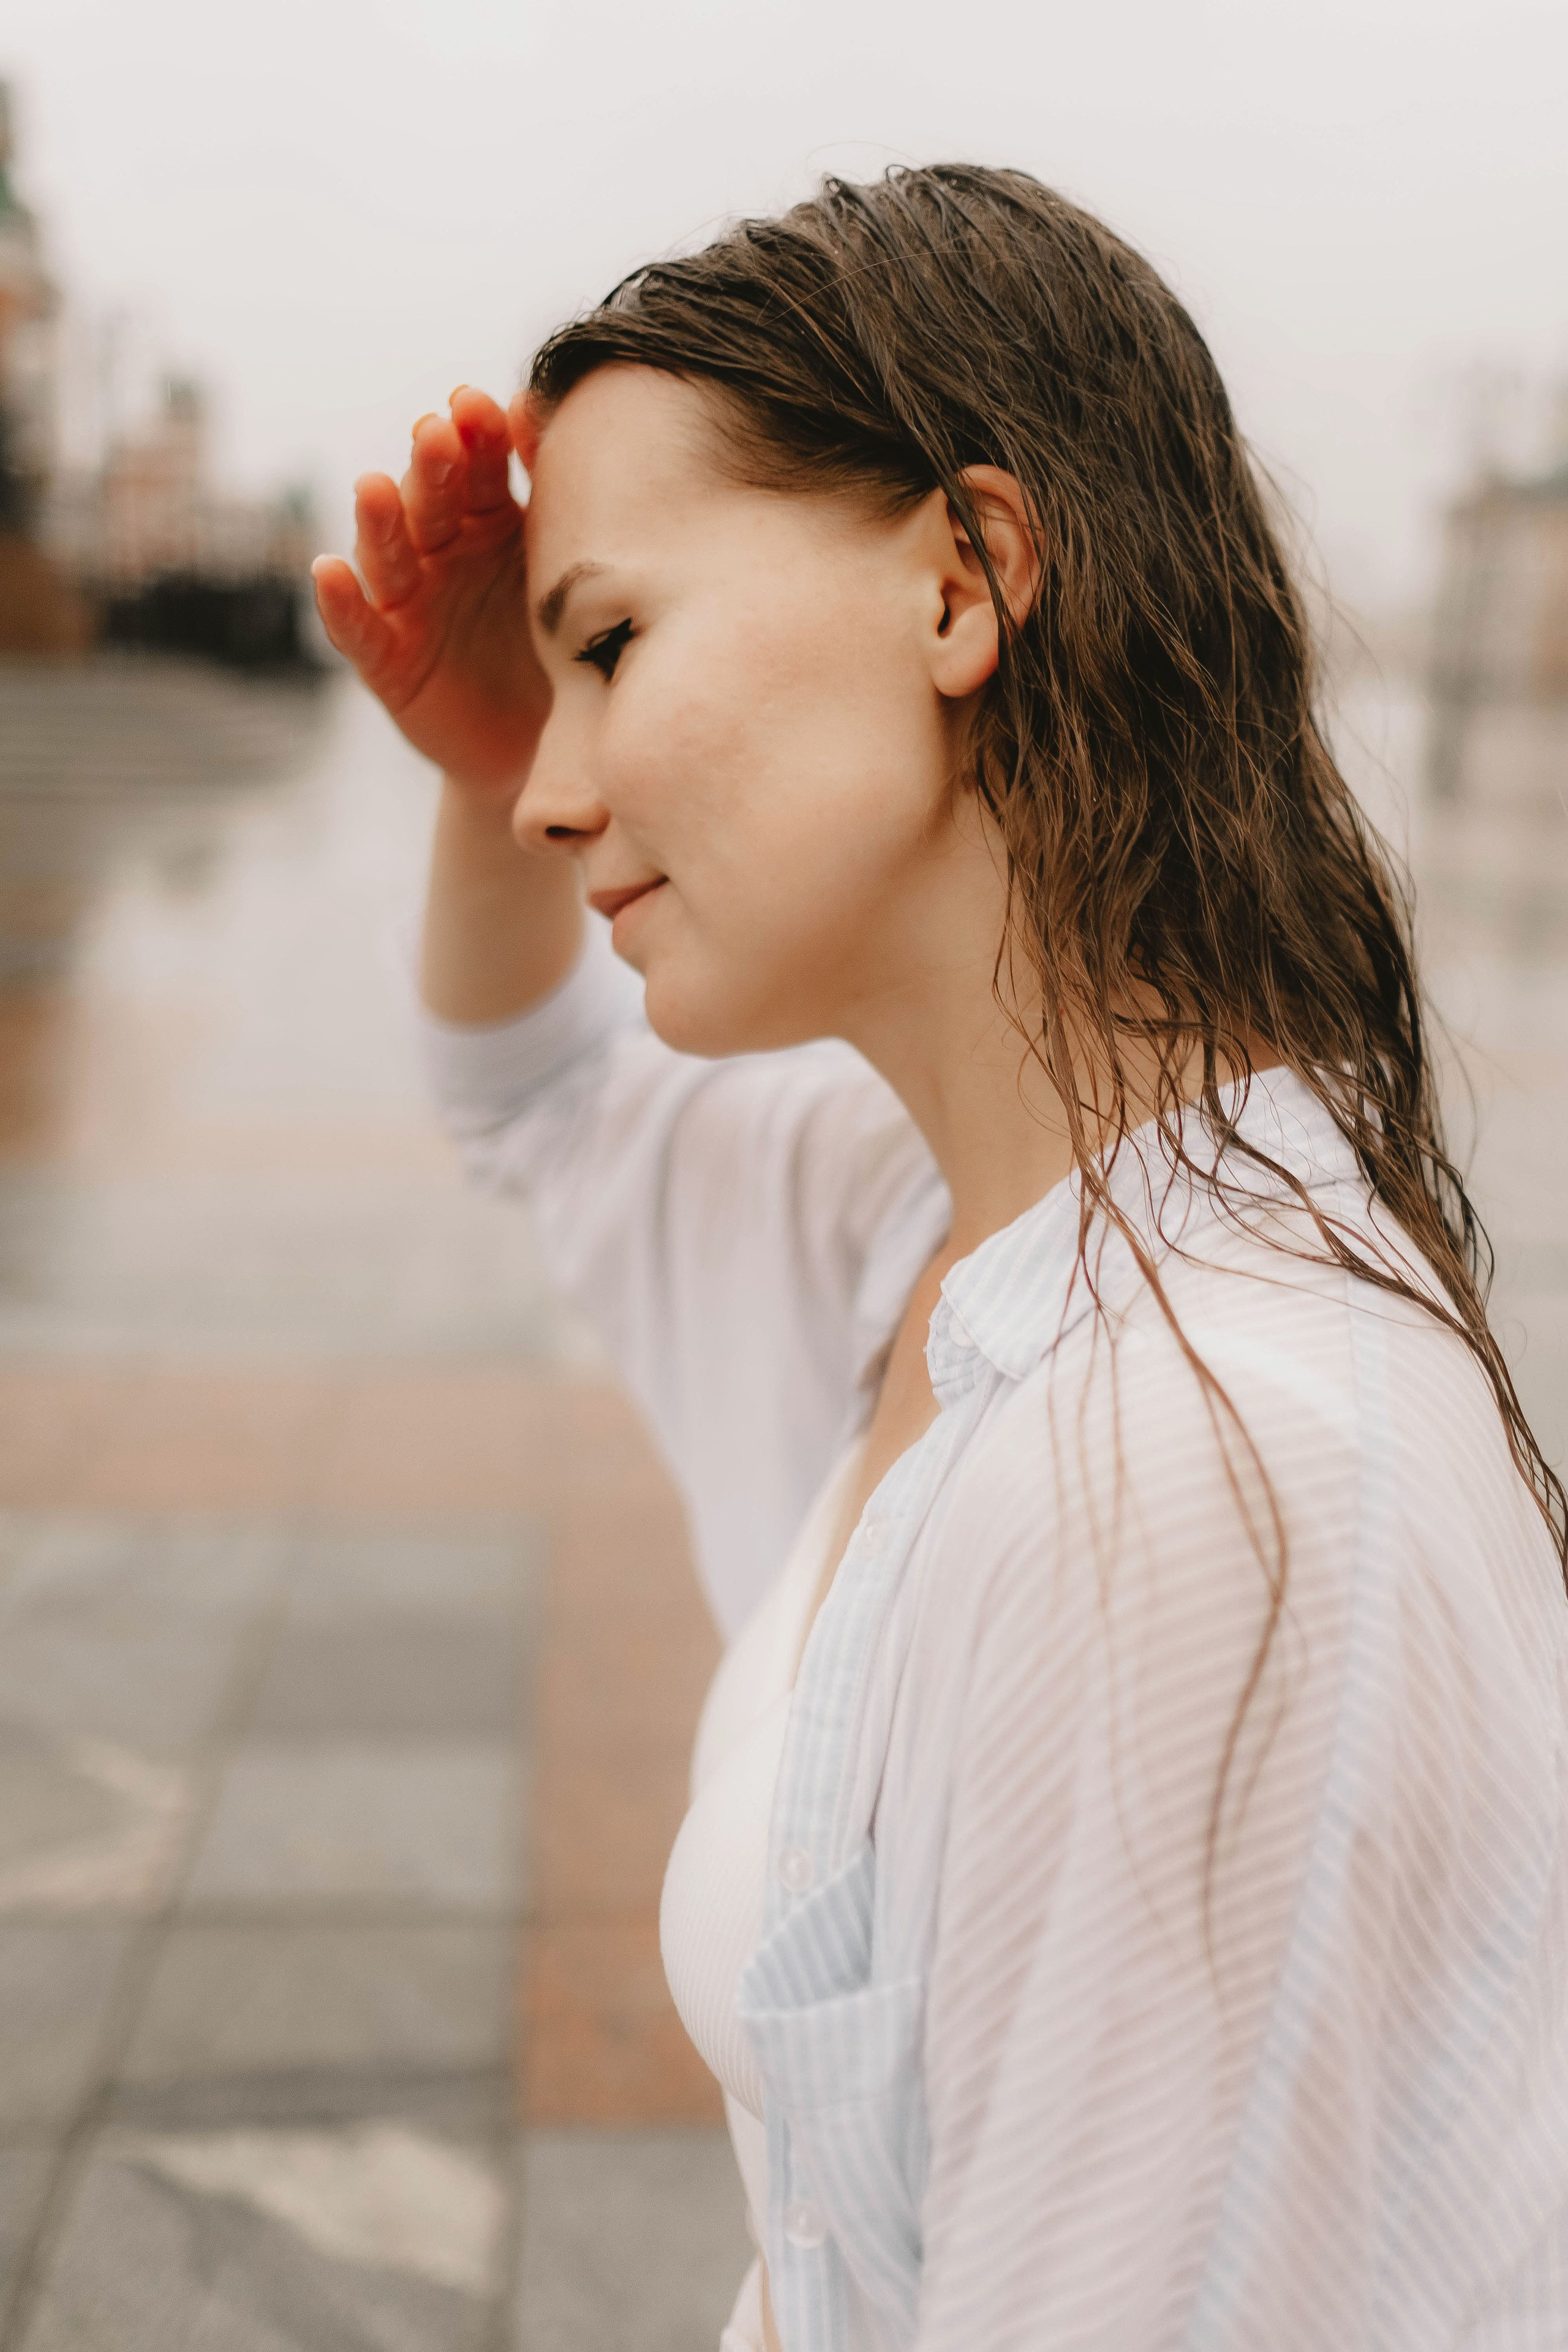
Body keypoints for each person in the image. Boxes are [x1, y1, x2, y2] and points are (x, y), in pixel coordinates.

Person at [312, 165, 1568, 2352]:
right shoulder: (956, 1226)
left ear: (967, 577)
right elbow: (536, 1111)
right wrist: (489, 744)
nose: (547, 792)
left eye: (612, 641)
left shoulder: (1194, 1489)